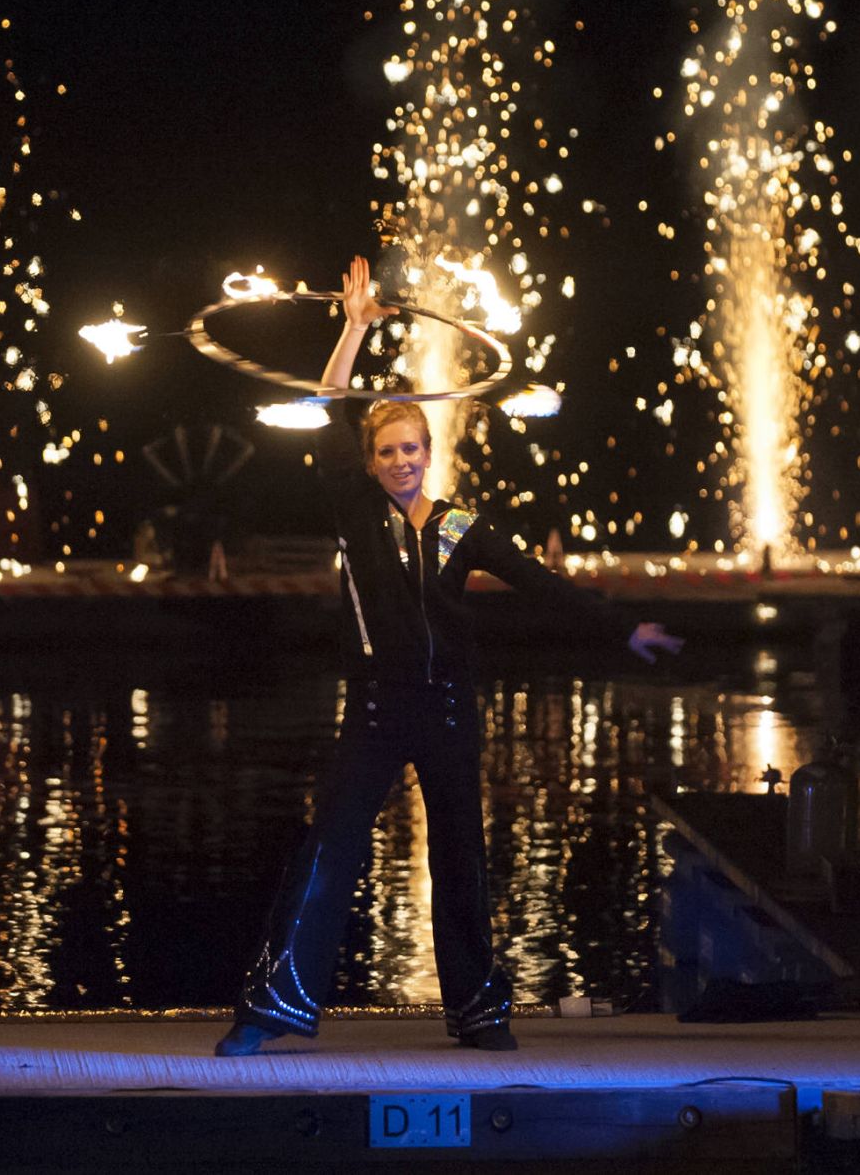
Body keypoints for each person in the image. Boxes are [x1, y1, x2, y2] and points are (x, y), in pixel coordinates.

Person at [216, 255, 682, 1056]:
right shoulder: (355, 513)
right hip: (373, 710)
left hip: (448, 709)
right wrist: (356, 328)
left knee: (460, 859)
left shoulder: (461, 526)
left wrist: (622, 631)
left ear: (430, 451)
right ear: (370, 462)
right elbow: (329, 404)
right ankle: (272, 1011)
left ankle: (478, 1013)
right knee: (329, 851)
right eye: (388, 451)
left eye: (411, 449)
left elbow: (541, 584)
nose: (400, 461)